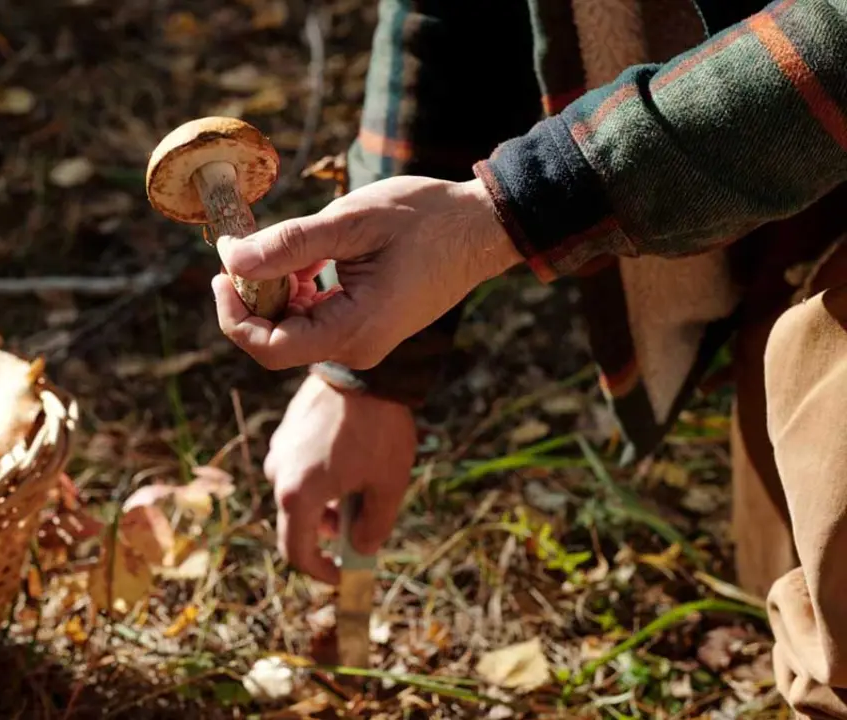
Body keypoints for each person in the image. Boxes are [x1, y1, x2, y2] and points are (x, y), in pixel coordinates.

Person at [213, 0, 847, 716]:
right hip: (776, 231)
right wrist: (371, 375)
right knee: (803, 599)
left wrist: (515, 206)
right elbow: (450, 17)